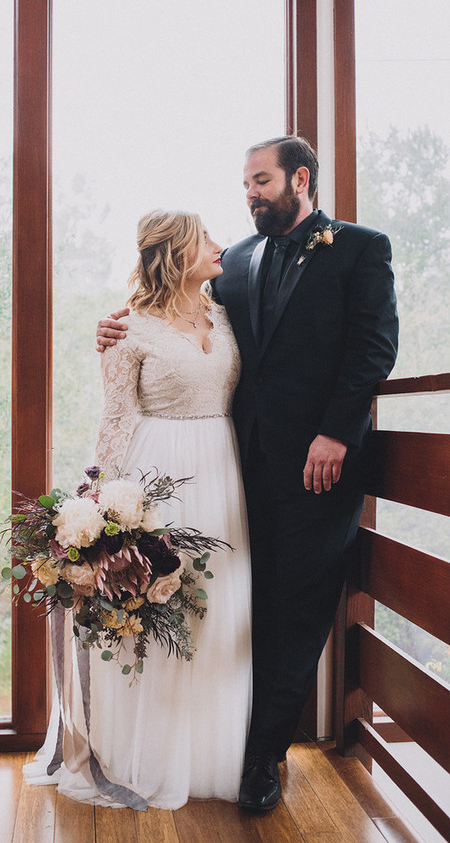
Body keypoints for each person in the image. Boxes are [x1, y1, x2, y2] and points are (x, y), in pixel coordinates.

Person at [96, 136, 399, 813]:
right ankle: (202, 741)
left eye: (260, 180)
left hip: (319, 474)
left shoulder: (359, 248)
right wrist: (112, 332)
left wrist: (336, 432)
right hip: (231, 472)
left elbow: (375, 346)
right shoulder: (234, 260)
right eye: (245, 183)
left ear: (300, 177)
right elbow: (169, 312)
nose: (249, 193)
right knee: (220, 609)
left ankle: (263, 756)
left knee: (293, 611)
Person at [24, 209, 253, 810]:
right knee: (156, 605)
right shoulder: (128, 328)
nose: (218, 245)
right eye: (206, 238)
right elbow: (117, 416)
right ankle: (140, 755)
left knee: (217, 614)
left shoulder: (226, 314)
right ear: (178, 252)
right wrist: (105, 503)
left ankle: (210, 758)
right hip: (158, 472)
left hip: (223, 473)